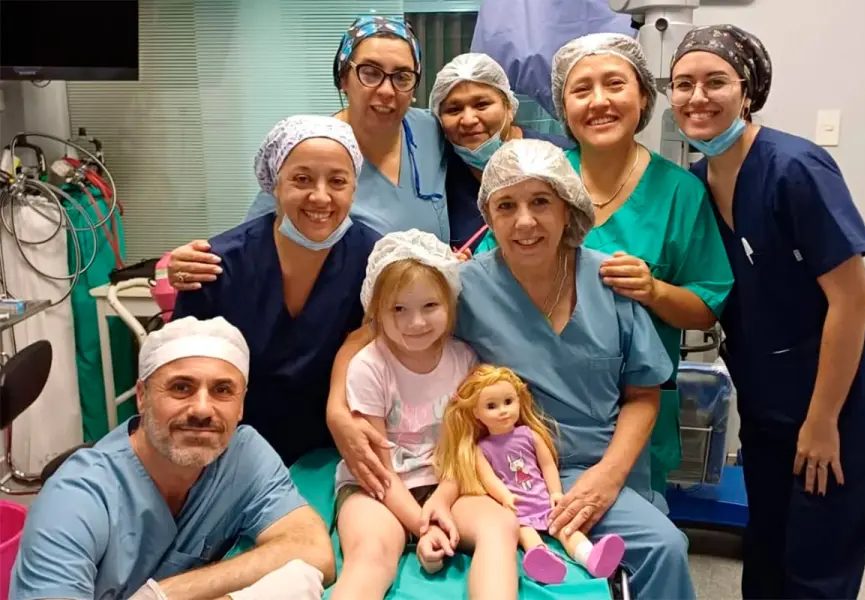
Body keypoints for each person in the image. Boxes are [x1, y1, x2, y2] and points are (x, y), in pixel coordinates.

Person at [332, 139, 697, 600]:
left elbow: (645, 393)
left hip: (594, 468)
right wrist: (337, 411)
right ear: (489, 216)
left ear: (568, 209)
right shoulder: (461, 287)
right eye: (506, 205)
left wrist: (607, 477)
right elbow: (370, 334)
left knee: (663, 547)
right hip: (494, 473)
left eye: (541, 201)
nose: (524, 221)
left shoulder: (610, 282)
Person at [669, 25, 865, 599]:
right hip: (774, 399)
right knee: (767, 552)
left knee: (814, 567)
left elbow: (852, 298)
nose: (697, 97)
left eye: (715, 81)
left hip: (846, 398)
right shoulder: (700, 180)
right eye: (683, 84)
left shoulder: (794, 168)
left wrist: (822, 422)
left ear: (748, 92)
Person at [479, 33, 734, 501]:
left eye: (614, 84)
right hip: (520, 416)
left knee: (633, 547)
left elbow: (706, 308)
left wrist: (654, 291)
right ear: (563, 106)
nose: (599, 102)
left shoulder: (680, 192)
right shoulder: (535, 179)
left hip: (635, 408)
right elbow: (487, 281)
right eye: (581, 90)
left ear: (642, 96)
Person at [10, 316, 334, 600]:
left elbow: (313, 550)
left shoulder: (243, 456)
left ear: (241, 405)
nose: (203, 410)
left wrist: (163, 594)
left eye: (223, 390)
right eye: (181, 387)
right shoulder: (75, 500)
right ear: (142, 397)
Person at [168, 15, 448, 292]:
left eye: (402, 77)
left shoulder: (430, 131)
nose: (387, 90)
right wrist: (196, 261)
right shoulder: (314, 149)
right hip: (353, 316)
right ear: (343, 79)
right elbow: (255, 240)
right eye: (370, 73)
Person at [170, 115, 382, 467]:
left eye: (337, 181)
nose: (320, 196)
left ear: (354, 189)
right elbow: (180, 368)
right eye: (302, 179)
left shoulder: (373, 260)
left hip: (336, 449)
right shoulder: (216, 265)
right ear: (274, 184)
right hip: (229, 450)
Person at [329, 230, 519, 600]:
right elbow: (378, 466)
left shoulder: (464, 360)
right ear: (376, 311)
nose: (415, 322)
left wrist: (441, 502)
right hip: (377, 486)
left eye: (430, 306)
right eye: (398, 309)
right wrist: (422, 525)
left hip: (448, 481)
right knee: (371, 553)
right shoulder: (369, 366)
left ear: (450, 303)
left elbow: (465, 444)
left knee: (501, 526)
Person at [434, 364, 627, 584]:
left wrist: (555, 492)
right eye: (491, 406)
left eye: (508, 402)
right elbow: (489, 480)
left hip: (544, 502)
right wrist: (505, 498)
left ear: (519, 399)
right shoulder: (481, 449)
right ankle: (542, 561)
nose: (503, 410)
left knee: (565, 529)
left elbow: (547, 466)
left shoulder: (529, 435)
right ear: (476, 413)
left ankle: (592, 557)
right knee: (525, 533)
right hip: (516, 510)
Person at [429, 52, 574, 251]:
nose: (469, 119)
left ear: (509, 107)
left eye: (482, 105)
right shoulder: (439, 177)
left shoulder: (560, 157)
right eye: (454, 110)